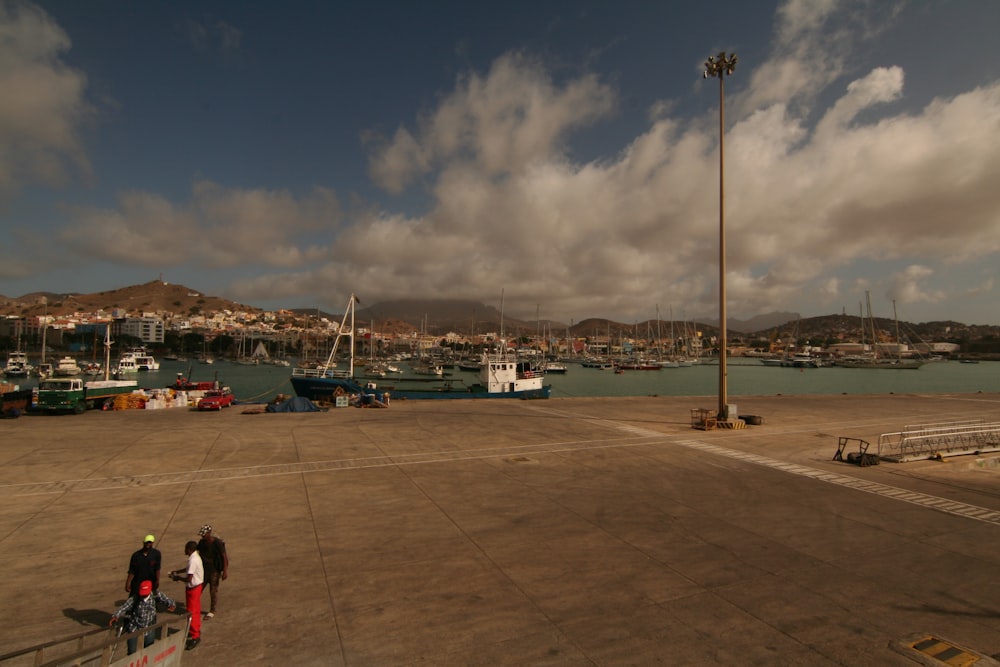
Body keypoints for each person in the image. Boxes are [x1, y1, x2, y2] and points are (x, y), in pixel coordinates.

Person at [109, 579, 175, 655]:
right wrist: (116, 616)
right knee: (132, 652)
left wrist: (171, 604)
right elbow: (124, 607)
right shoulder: (135, 598)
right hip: (134, 627)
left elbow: (167, 600)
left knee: (149, 651)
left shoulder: (156, 594)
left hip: (149, 627)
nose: (143, 596)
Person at [169, 541, 204, 651]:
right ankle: (196, 629)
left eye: (185, 548)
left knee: (191, 612)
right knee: (196, 610)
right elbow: (188, 569)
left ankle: (195, 636)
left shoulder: (193, 560)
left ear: (189, 549)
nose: (184, 550)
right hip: (197, 587)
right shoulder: (195, 557)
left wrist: (177, 578)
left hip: (193, 589)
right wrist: (178, 572)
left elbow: (189, 578)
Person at [196, 524, 229, 619]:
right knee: (199, 589)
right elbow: (197, 553)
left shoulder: (217, 543)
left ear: (209, 533)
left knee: (213, 590)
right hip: (204, 570)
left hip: (215, 570)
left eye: (204, 534)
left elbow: (224, 556)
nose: (202, 536)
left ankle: (212, 610)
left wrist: (225, 570)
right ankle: (195, 608)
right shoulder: (202, 543)